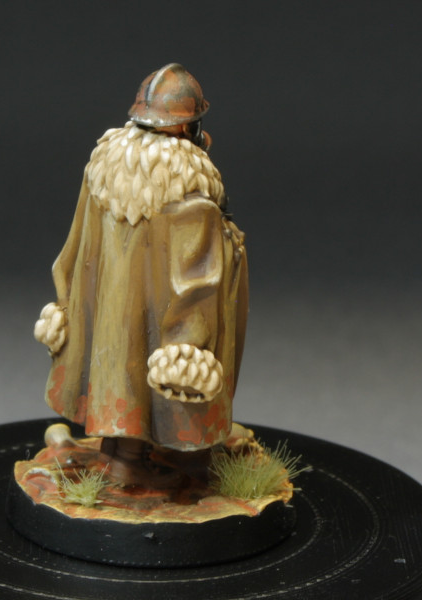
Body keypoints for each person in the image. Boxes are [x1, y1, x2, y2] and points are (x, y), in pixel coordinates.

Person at [34, 63, 248, 485]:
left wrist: (67, 299)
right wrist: (189, 344)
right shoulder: (191, 199)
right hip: (166, 323)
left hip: (107, 319)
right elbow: (197, 283)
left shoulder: (103, 173)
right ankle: (165, 462)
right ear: (187, 127)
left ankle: (119, 452)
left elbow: (74, 247)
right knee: (171, 386)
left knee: (119, 371)